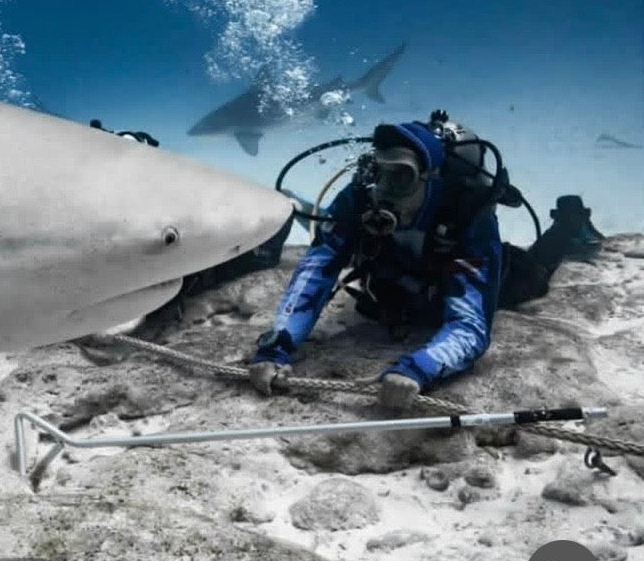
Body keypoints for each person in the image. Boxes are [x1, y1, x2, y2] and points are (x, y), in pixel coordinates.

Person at [248, 113, 603, 409]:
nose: (383, 189)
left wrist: (418, 368)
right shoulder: (361, 194)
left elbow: (470, 327)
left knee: (531, 276)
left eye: (400, 177)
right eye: (379, 172)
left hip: (454, 270)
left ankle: (569, 222)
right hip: (397, 278)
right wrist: (277, 346)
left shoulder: (466, 213)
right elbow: (318, 267)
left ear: (429, 178)